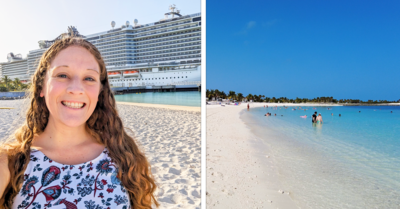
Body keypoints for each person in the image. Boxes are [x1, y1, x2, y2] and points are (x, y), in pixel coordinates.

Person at [0, 37, 158, 208]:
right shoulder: (10, 163)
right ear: (41, 87)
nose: (76, 89)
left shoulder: (125, 156)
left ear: (100, 92)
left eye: (89, 78)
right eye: (62, 75)